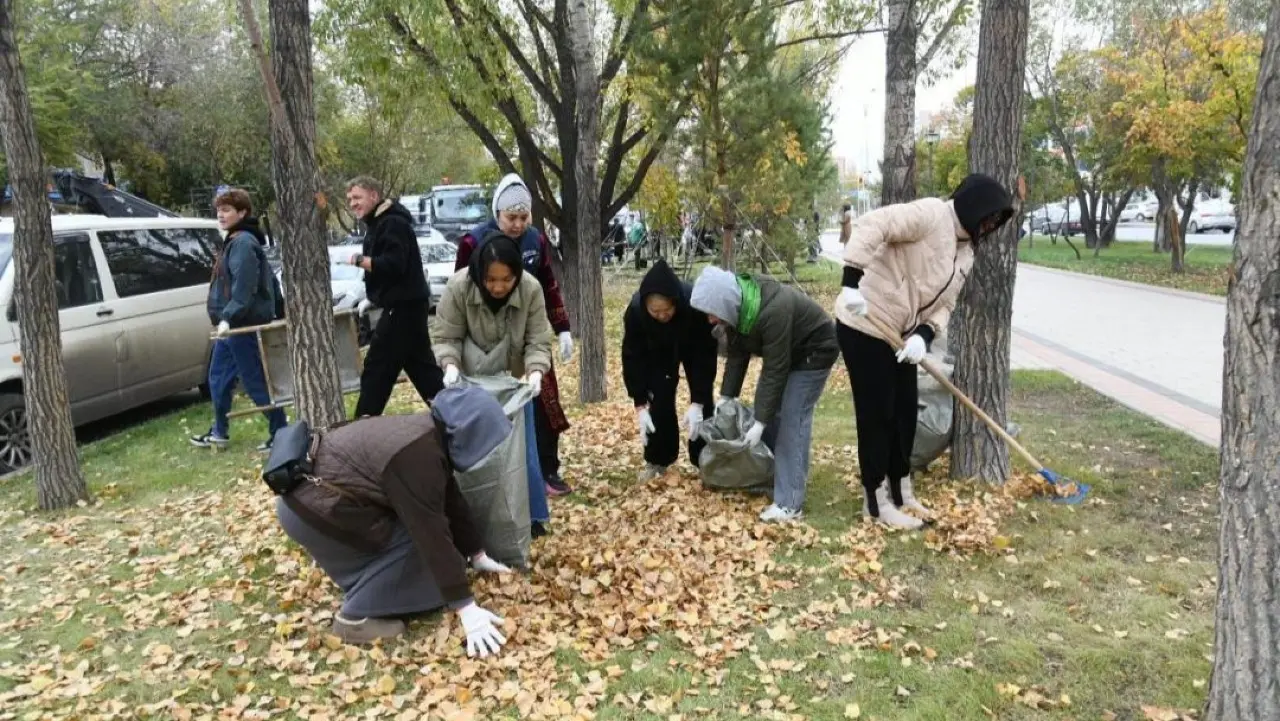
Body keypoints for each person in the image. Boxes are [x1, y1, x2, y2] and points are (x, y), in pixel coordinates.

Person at [834, 172, 1014, 529]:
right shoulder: (932, 214)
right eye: (990, 216)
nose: (992, 225)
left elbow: (945, 305)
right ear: (975, 206)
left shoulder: (967, 253)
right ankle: (875, 502)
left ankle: (901, 491)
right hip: (864, 322)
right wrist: (851, 282)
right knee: (877, 414)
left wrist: (924, 336)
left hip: (901, 336)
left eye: (997, 221)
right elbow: (875, 224)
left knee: (904, 415)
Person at [275, 386, 513, 653]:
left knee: (444, 561)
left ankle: (372, 584)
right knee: (420, 559)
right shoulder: (416, 455)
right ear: (472, 434)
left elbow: (449, 499)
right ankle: (355, 617)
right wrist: (466, 608)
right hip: (314, 511)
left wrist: (476, 554)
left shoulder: (427, 434)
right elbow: (430, 532)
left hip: (314, 503)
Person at [454, 174, 573, 496]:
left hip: (528, 334)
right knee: (493, 405)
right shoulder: (473, 243)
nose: (518, 224)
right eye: (511, 217)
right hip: (485, 338)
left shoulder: (538, 241)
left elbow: (548, 284)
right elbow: (460, 295)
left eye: (524, 217)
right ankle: (497, 471)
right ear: (497, 214)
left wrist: (562, 329)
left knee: (544, 402)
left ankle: (548, 469)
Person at [689, 266, 839, 522]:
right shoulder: (739, 309)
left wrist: (760, 420)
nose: (710, 320)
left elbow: (774, 370)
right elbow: (737, 355)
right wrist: (727, 397)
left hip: (816, 349)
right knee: (775, 415)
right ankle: (772, 476)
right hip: (791, 352)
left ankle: (790, 503)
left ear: (723, 303)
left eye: (712, 313)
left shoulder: (772, 310)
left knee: (792, 417)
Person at [191, 188, 287, 452]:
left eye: (227, 210)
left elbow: (245, 288)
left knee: (254, 380)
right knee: (218, 378)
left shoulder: (243, 243)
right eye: (219, 210)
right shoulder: (234, 240)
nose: (220, 215)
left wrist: (228, 317)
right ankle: (219, 431)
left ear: (242, 213)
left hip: (241, 324)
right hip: (231, 326)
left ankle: (281, 431)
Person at [346, 176, 444, 418]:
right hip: (405, 305)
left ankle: (360, 431)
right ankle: (456, 421)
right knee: (424, 371)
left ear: (374, 196)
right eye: (349, 199)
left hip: (402, 308)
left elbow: (394, 264)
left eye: (357, 197)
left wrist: (358, 260)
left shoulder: (391, 224)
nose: (352, 204)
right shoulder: (379, 224)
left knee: (376, 370)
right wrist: (374, 296)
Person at [621, 259, 718, 480]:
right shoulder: (636, 312)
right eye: (655, 312)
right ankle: (658, 459)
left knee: (703, 405)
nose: (662, 316)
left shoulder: (695, 306)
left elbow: (705, 354)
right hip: (657, 351)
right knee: (660, 399)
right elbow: (632, 356)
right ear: (646, 306)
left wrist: (698, 402)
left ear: (675, 302)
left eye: (667, 310)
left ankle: (705, 458)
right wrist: (639, 402)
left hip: (691, 344)